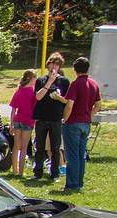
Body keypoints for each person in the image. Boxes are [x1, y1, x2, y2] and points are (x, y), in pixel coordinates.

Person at [62, 57, 102, 191]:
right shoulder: (94, 84)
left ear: (75, 69)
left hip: (73, 122)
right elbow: (98, 105)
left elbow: (69, 105)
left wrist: (65, 119)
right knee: (81, 154)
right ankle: (79, 182)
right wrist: (89, 116)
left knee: (72, 154)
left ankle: (72, 184)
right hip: (85, 122)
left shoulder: (75, 84)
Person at [32, 52, 70, 181]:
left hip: (56, 118)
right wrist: (50, 82)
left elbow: (67, 101)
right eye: (53, 64)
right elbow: (38, 96)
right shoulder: (40, 80)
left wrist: (59, 97)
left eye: (58, 65)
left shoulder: (64, 81)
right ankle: (37, 172)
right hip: (42, 117)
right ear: (48, 64)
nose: (55, 67)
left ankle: (55, 173)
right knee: (39, 147)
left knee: (55, 147)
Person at [8, 69, 38, 176]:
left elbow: (13, 109)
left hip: (17, 119)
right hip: (28, 121)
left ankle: (15, 169)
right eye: (35, 78)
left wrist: (11, 124)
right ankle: (20, 171)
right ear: (30, 78)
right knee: (24, 146)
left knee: (16, 146)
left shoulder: (19, 90)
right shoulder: (33, 92)